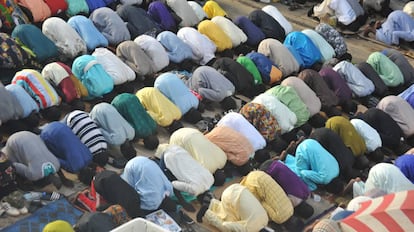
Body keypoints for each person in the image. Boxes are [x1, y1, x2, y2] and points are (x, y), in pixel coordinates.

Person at [240, 171, 305, 230]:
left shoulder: (291, 209)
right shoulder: (279, 219)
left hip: (258, 174)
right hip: (252, 184)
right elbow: (263, 204)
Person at [196, 183, 269, 232]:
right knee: (227, 225)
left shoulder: (266, 219)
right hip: (230, 197)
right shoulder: (249, 229)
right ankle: (206, 211)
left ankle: (211, 201)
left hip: (238, 188)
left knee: (237, 218)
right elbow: (225, 225)